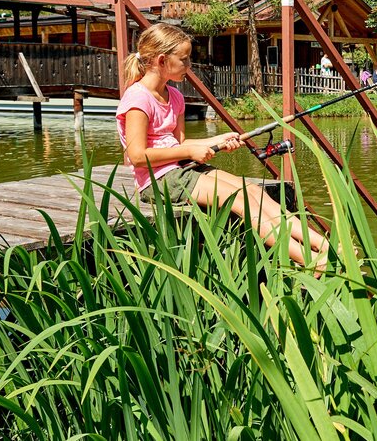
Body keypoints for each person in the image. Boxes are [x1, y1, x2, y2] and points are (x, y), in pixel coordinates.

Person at [116, 23, 329, 268]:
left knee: (253, 191)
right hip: (157, 182)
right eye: (184, 60)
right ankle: (310, 260)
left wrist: (216, 140)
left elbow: (180, 143)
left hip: (181, 170)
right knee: (236, 199)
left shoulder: (175, 96)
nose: (189, 66)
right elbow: (137, 156)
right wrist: (188, 152)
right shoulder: (137, 99)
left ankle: (324, 245)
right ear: (162, 60)